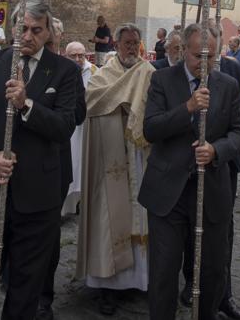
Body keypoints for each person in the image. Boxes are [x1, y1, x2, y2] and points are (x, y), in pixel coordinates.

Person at [0, 0, 77, 320]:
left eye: (36, 30)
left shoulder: (65, 71)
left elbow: (65, 126)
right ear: (12, 28)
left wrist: (27, 105)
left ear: (48, 32)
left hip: (38, 196)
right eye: (22, 29)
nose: (28, 36)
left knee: (26, 285)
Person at [138, 23, 240, 320]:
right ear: (183, 50)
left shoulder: (227, 85)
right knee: (164, 271)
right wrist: (187, 107)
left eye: (210, 56)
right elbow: (151, 129)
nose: (204, 62)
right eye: (198, 55)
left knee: (212, 270)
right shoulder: (161, 79)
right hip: (167, 192)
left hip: (211, 190)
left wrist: (216, 150)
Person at [76, 23, 154, 316]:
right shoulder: (102, 75)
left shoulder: (147, 72)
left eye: (136, 43)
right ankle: (108, 285)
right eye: (127, 43)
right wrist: (124, 101)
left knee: (139, 215)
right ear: (117, 45)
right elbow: (93, 102)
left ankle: (139, 281)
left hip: (138, 155)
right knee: (109, 219)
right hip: (109, 157)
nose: (132, 47)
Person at [181, 39, 240, 320]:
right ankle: (191, 282)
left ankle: (224, 295)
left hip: (223, 164)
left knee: (222, 233)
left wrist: (227, 105)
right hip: (190, 163)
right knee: (190, 227)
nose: (206, 55)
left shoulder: (233, 70)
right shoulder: (182, 73)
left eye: (211, 50)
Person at [37, 27, 86, 320]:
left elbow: (76, 115)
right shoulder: (5, 65)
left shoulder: (68, 71)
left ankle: (43, 296)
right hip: (15, 166)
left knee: (48, 236)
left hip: (54, 165)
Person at [62, 41, 95, 215]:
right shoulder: (62, 71)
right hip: (68, 126)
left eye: (80, 55)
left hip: (87, 126)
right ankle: (65, 206)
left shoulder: (95, 72)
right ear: (66, 55)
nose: (77, 59)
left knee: (83, 164)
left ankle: (82, 202)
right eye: (73, 56)